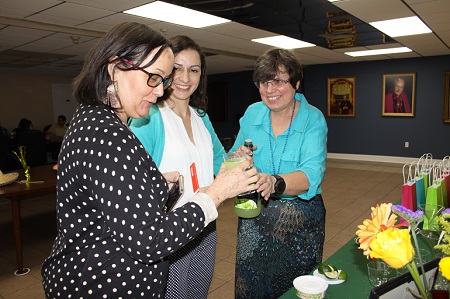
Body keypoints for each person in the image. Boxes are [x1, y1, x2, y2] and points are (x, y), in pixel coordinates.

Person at [40, 22, 258, 299]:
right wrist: (215, 194)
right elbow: (148, 241)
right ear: (115, 68)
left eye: (163, 80)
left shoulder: (97, 121)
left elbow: (117, 197)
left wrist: (153, 182)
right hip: (101, 283)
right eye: (153, 78)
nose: (159, 91)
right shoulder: (107, 135)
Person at [129, 35, 224, 299]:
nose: (185, 77)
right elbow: (132, 182)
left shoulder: (202, 117)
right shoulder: (148, 119)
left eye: (193, 70)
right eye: (177, 69)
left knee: (198, 294)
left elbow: (221, 161)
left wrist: (238, 164)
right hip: (170, 233)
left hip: (206, 227)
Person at [229, 48, 328, 298]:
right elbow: (231, 157)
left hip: (299, 221)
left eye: (278, 81)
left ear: (295, 83)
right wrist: (236, 158)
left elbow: (310, 175)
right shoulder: (252, 113)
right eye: (264, 82)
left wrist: (274, 182)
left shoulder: (312, 119)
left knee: (293, 288)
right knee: (251, 286)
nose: (270, 89)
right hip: (254, 215)